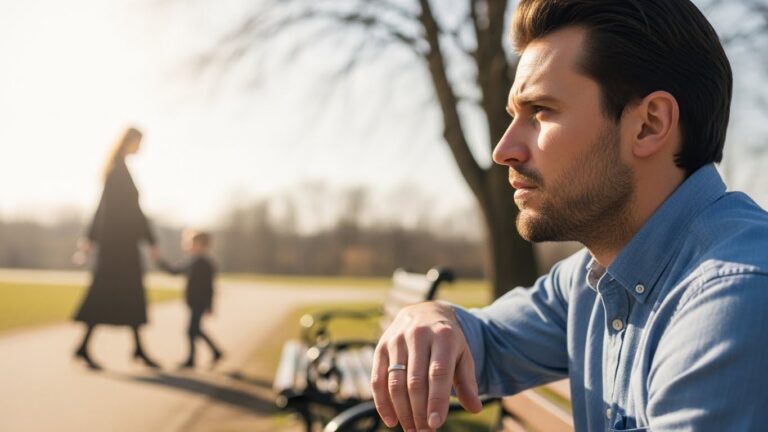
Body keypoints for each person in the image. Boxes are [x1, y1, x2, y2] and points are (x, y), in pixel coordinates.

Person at [371, 0, 768, 431]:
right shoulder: (593, 278)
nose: (504, 150)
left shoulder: (733, 296)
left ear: (649, 125)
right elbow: (486, 339)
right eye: (513, 116)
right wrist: (431, 316)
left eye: (540, 111)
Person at [72, 127, 161, 370]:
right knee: (111, 297)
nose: (140, 148)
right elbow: (117, 211)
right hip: (117, 251)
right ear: (129, 141)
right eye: (139, 143)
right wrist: (151, 241)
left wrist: (90, 238)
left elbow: (104, 209)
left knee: (127, 297)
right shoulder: (118, 172)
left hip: (119, 248)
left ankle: (135, 348)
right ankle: (91, 347)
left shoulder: (119, 170)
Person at [155, 229, 224, 369]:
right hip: (192, 302)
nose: (188, 245)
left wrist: (210, 306)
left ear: (200, 244)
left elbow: (210, 288)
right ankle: (215, 352)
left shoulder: (206, 264)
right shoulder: (190, 262)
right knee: (195, 330)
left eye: (191, 242)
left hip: (200, 303)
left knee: (191, 330)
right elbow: (175, 271)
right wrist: (159, 262)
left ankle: (193, 359)